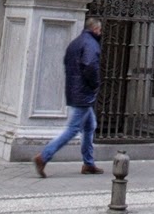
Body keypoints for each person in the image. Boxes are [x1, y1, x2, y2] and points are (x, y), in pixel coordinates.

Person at [34, 16, 103, 177]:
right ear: (95, 29)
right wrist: (94, 84)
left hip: (74, 90)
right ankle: (43, 156)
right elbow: (90, 65)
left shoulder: (76, 42)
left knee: (90, 126)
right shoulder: (91, 44)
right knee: (73, 129)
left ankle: (88, 163)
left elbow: (67, 63)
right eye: (99, 30)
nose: (100, 33)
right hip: (84, 93)